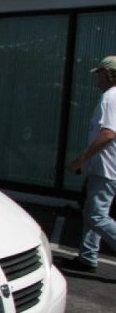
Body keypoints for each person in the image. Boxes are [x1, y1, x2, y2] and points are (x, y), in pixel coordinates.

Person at [63, 56, 116, 273]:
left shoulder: (110, 98)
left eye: (100, 73)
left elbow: (108, 134)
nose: (98, 78)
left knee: (96, 216)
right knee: (92, 211)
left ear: (109, 74)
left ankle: (88, 256)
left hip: (107, 168)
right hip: (107, 166)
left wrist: (80, 159)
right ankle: (87, 257)